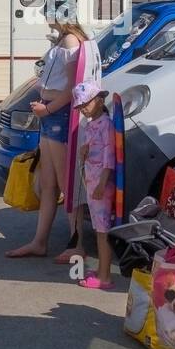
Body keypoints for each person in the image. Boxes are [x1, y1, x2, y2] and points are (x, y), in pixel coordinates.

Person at [6, 0, 98, 260]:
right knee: (49, 181)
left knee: (64, 181)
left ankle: (75, 243)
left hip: (57, 117)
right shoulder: (71, 39)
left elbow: (73, 88)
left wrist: (47, 108)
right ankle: (40, 241)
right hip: (52, 117)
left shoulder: (70, 41)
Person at [72, 81, 116, 289]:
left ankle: (105, 276)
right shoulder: (93, 124)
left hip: (100, 184)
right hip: (92, 181)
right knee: (99, 228)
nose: (83, 109)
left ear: (98, 100)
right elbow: (96, 149)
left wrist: (102, 183)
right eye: (80, 106)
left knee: (102, 230)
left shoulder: (106, 124)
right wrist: (85, 151)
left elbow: (109, 156)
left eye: (85, 104)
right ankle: (101, 271)